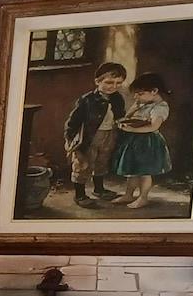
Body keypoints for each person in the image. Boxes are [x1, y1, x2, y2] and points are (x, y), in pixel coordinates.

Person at [63, 61, 129, 209]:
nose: (114, 86)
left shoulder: (118, 98)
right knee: (83, 165)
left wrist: (122, 123)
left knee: (102, 162)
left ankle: (99, 189)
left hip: (110, 134)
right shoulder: (87, 100)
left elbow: (120, 115)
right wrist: (70, 139)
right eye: (109, 82)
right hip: (90, 137)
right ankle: (79, 195)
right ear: (97, 81)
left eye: (118, 83)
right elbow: (73, 122)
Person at [110, 73, 173, 209]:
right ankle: (129, 194)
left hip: (148, 142)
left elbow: (153, 127)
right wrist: (133, 109)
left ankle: (143, 198)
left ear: (154, 91)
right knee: (132, 170)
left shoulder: (160, 107)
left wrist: (131, 130)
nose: (136, 97)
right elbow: (127, 118)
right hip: (135, 141)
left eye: (140, 94)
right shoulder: (143, 104)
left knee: (144, 172)